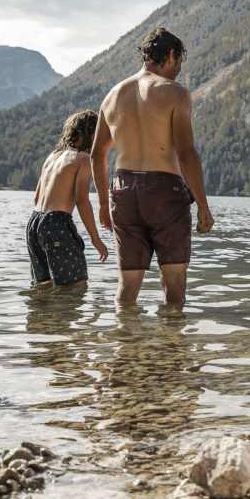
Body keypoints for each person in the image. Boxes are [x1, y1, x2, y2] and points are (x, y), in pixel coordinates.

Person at [91, 27, 214, 308]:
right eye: (179, 62)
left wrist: (103, 205)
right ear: (170, 56)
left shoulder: (112, 95)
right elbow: (186, 153)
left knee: (127, 286)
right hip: (163, 191)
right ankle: (171, 336)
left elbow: (97, 155)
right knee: (174, 286)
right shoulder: (175, 93)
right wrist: (203, 206)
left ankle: (124, 336)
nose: (179, 70)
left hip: (122, 191)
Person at [26, 109, 109, 288]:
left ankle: (42, 308)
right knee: (74, 286)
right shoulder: (83, 159)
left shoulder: (52, 156)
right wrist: (96, 239)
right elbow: (81, 200)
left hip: (34, 224)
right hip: (57, 223)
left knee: (43, 286)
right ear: (92, 134)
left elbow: (37, 197)